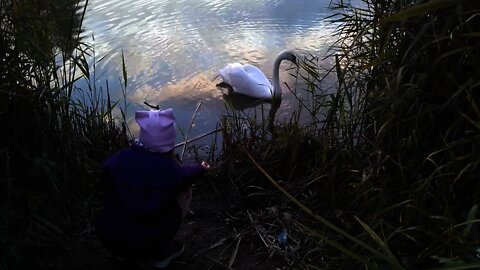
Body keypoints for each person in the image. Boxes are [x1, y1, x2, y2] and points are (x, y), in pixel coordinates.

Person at [95, 108, 210, 268]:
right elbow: (184, 176)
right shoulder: (166, 168)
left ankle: (124, 251)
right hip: (145, 243)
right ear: (169, 145)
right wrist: (201, 168)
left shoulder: (119, 158)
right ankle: (160, 254)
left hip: (109, 238)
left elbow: (105, 180)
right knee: (184, 191)